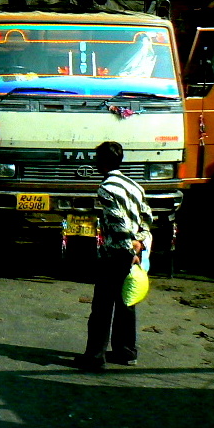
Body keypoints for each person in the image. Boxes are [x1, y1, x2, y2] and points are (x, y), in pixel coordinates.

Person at [74, 140, 153, 371]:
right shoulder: (135, 186)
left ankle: (95, 356)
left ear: (102, 162)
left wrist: (129, 249)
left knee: (102, 306)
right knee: (126, 302)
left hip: (116, 253)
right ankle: (126, 352)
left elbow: (117, 222)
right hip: (135, 250)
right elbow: (147, 216)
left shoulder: (106, 188)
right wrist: (140, 244)